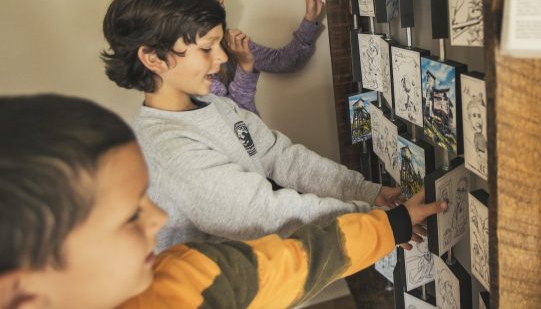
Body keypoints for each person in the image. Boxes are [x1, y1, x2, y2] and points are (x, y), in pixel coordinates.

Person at [0, 94, 445, 308]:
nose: (157, 217)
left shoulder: (183, 276)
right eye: (129, 216)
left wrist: (391, 225)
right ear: (21, 294)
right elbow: (263, 212)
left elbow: (297, 260)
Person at [101, 0, 403, 251]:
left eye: (219, 44)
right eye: (207, 48)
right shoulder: (167, 146)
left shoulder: (215, 105)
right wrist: (379, 221)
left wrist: (367, 192)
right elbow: (263, 214)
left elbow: (280, 156)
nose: (221, 58)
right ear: (154, 59)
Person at [148, 0, 323, 116]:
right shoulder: (180, 71)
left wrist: (310, 19)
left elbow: (286, 61)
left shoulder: (226, 41)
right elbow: (237, 123)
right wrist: (246, 68)